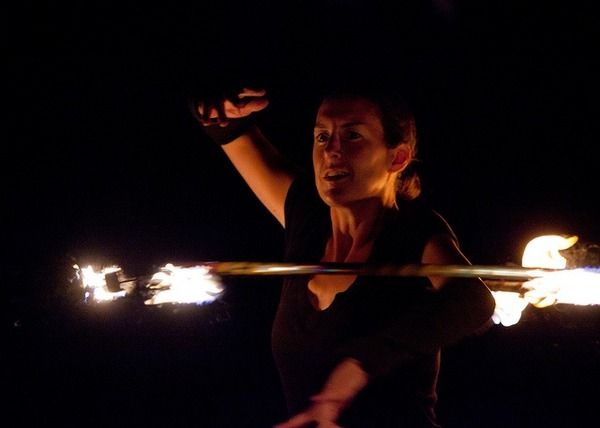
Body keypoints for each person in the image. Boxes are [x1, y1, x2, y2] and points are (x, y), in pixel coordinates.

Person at [190, 83, 496, 427]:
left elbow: (474, 301)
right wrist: (214, 105)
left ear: (397, 157)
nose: (331, 151)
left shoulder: (414, 231)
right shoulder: (305, 214)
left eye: (352, 136)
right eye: (322, 137)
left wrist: (358, 365)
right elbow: (225, 129)